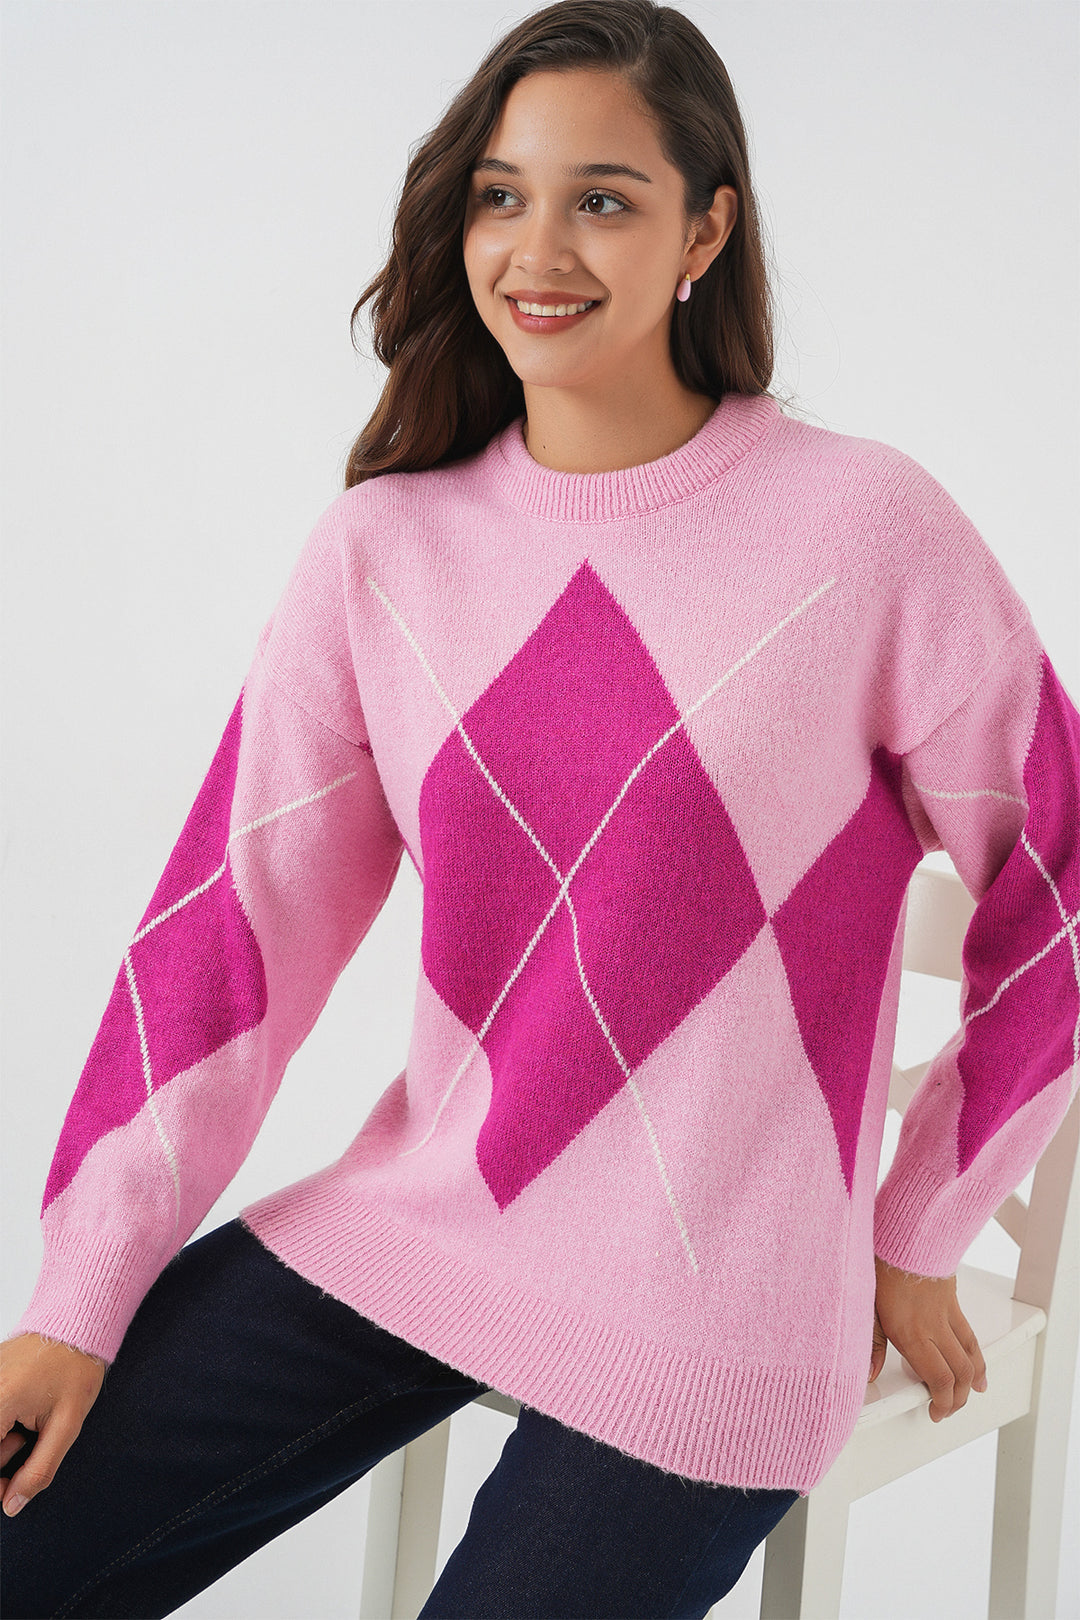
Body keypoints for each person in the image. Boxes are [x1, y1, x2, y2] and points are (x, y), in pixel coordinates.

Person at [2, 0, 1077, 1615]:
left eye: (605, 198)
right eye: (502, 194)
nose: (538, 248)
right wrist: (80, 1294)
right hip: (426, 1223)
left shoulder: (865, 532)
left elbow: (1058, 879)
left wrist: (922, 1221)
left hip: (717, 1304)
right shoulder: (384, 553)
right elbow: (227, 939)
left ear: (706, 230)